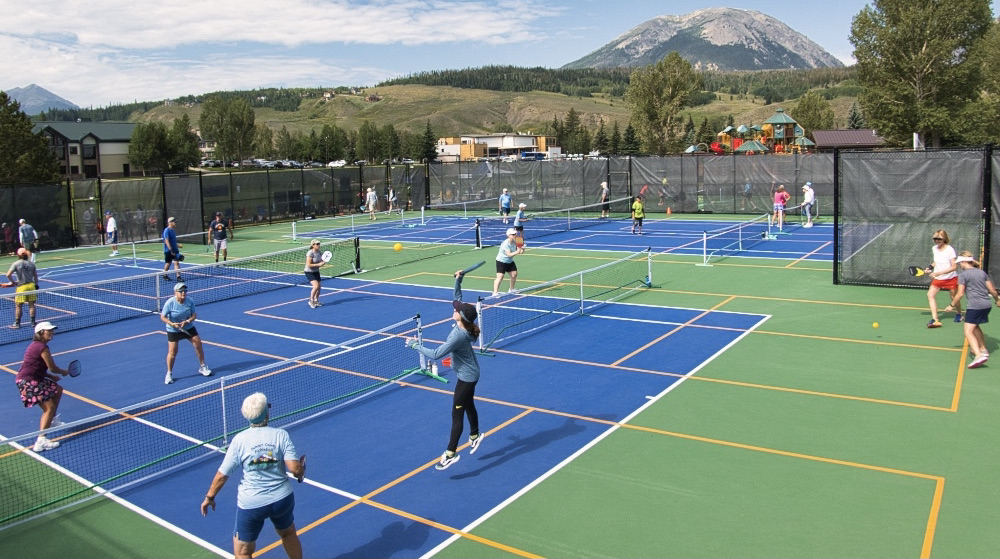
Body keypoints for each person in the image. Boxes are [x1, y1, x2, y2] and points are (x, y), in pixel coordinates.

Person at [201, 392, 306, 559]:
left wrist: (209, 497)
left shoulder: (239, 441)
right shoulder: (280, 435)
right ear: (267, 413)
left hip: (252, 504)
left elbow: (222, 475)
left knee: (243, 552)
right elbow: (294, 469)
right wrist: (301, 470)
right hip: (282, 500)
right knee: (288, 533)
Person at [406, 269, 485, 470]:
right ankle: (475, 435)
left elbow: (435, 354)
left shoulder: (458, 336)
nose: (454, 309)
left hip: (467, 377)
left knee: (456, 414)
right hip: (470, 374)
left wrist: (415, 345)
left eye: (457, 310)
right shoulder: (466, 325)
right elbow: (457, 298)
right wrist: (459, 280)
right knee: (468, 404)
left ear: (461, 317)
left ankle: (450, 453)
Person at [16, 321, 69, 452]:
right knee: (49, 407)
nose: (51, 332)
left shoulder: (37, 345)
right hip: (28, 381)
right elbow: (52, 367)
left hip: (34, 378)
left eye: (52, 330)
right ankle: (41, 441)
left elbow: (37, 367)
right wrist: (62, 372)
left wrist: (51, 377)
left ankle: (52, 420)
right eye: (48, 330)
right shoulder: (42, 348)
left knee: (57, 389)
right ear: (40, 333)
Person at [944, 252, 1000, 368]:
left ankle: (979, 355)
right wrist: (997, 300)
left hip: (975, 306)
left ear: (964, 262)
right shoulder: (981, 272)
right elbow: (993, 291)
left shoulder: (963, 275)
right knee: (976, 326)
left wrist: (951, 305)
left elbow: (959, 294)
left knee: (968, 331)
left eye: (960, 263)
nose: (959, 265)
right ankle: (983, 349)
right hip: (986, 305)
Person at [161, 282, 212, 384]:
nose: (183, 293)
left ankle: (202, 366)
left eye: (185, 291)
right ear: (176, 292)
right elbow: (163, 317)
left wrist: (187, 321)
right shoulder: (169, 303)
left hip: (187, 327)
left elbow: (194, 315)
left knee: (198, 343)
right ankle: (169, 374)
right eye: (181, 291)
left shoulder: (189, 301)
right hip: (173, 329)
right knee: (173, 351)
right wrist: (172, 324)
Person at [926, 229, 962, 328]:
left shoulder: (950, 250)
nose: (937, 241)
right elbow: (936, 261)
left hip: (951, 278)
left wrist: (938, 273)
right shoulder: (934, 248)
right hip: (938, 278)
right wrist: (930, 267)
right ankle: (935, 319)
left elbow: (954, 267)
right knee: (930, 295)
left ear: (944, 239)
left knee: (954, 298)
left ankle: (959, 314)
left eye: (939, 239)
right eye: (935, 239)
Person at [7, 247, 38, 329]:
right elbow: (35, 276)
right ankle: (33, 322)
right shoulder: (31, 264)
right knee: (32, 305)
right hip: (31, 286)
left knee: (18, 306)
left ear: (18, 255)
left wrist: (13, 282)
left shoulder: (16, 264)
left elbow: (8, 275)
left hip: (22, 287)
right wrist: (36, 285)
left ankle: (17, 323)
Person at [493, 227, 524, 296]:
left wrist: (522, 249)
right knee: (500, 276)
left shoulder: (516, 241)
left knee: (514, 274)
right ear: (508, 235)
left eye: (515, 234)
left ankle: (511, 289)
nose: (515, 235)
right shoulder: (505, 244)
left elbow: (520, 251)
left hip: (509, 261)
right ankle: (495, 293)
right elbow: (509, 254)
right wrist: (517, 252)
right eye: (513, 234)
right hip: (501, 261)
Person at [303, 239, 326, 308]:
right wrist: (319, 264)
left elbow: (322, 260)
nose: (318, 245)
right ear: (313, 245)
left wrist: (323, 262)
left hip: (316, 271)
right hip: (309, 272)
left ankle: (316, 300)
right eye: (317, 244)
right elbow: (308, 264)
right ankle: (311, 300)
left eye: (319, 244)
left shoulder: (319, 252)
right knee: (315, 286)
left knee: (319, 287)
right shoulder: (310, 253)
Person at [162, 216, 183, 282]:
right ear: (170, 223)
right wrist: (171, 250)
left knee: (176, 262)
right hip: (168, 251)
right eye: (174, 222)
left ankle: (178, 276)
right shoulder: (166, 230)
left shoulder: (173, 231)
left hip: (175, 250)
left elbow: (172, 241)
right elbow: (167, 241)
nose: (175, 223)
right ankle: (165, 275)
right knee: (168, 263)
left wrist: (177, 245)